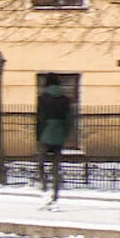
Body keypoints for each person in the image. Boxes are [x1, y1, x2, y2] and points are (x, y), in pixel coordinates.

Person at [36, 74, 72, 210]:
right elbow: (69, 119)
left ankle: (44, 187)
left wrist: (38, 136)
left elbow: (40, 118)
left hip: (45, 133)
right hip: (59, 134)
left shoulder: (42, 98)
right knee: (56, 166)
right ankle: (55, 193)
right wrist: (65, 134)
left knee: (41, 164)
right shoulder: (65, 99)